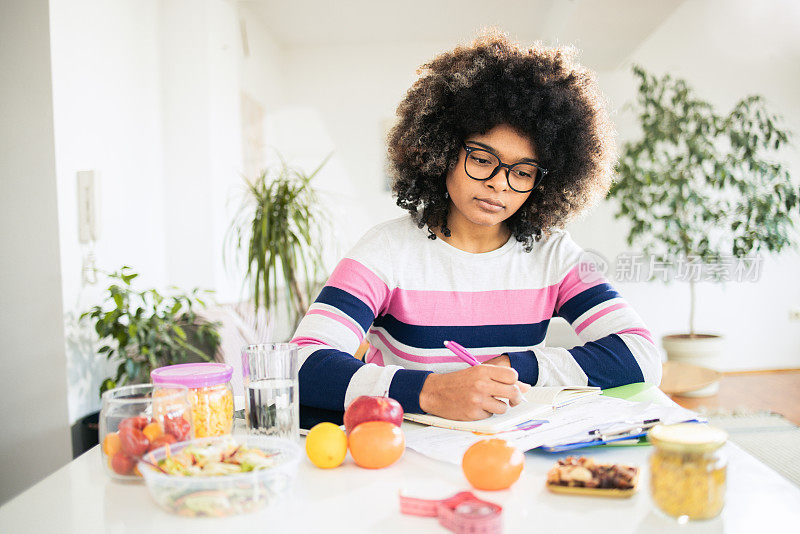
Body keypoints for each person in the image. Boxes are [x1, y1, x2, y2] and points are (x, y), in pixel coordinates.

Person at [291, 29, 661, 422]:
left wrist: (518, 366)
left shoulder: (555, 256)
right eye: (483, 159)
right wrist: (428, 391)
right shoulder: (387, 250)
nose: (499, 183)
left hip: (513, 452)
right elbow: (300, 363)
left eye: (522, 171)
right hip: (403, 453)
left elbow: (641, 355)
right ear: (443, 151)